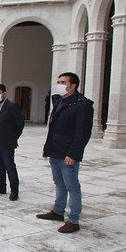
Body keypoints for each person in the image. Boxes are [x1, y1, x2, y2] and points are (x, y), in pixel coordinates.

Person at [37, 72, 94, 233]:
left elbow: (82, 133)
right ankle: (58, 211)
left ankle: (74, 219)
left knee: (72, 185)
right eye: (58, 81)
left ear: (73, 85)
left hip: (68, 153)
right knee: (59, 183)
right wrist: (47, 149)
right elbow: (54, 128)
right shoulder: (60, 101)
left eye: (63, 82)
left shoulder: (82, 105)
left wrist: (73, 154)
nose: (59, 84)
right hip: (55, 150)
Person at [0, 83, 25, 201]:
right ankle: (1, 186)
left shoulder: (11, 106)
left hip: (6, 143)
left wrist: (12, 138)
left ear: (4, 93)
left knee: (9, 166)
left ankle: (14, 191)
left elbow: (19, 124)